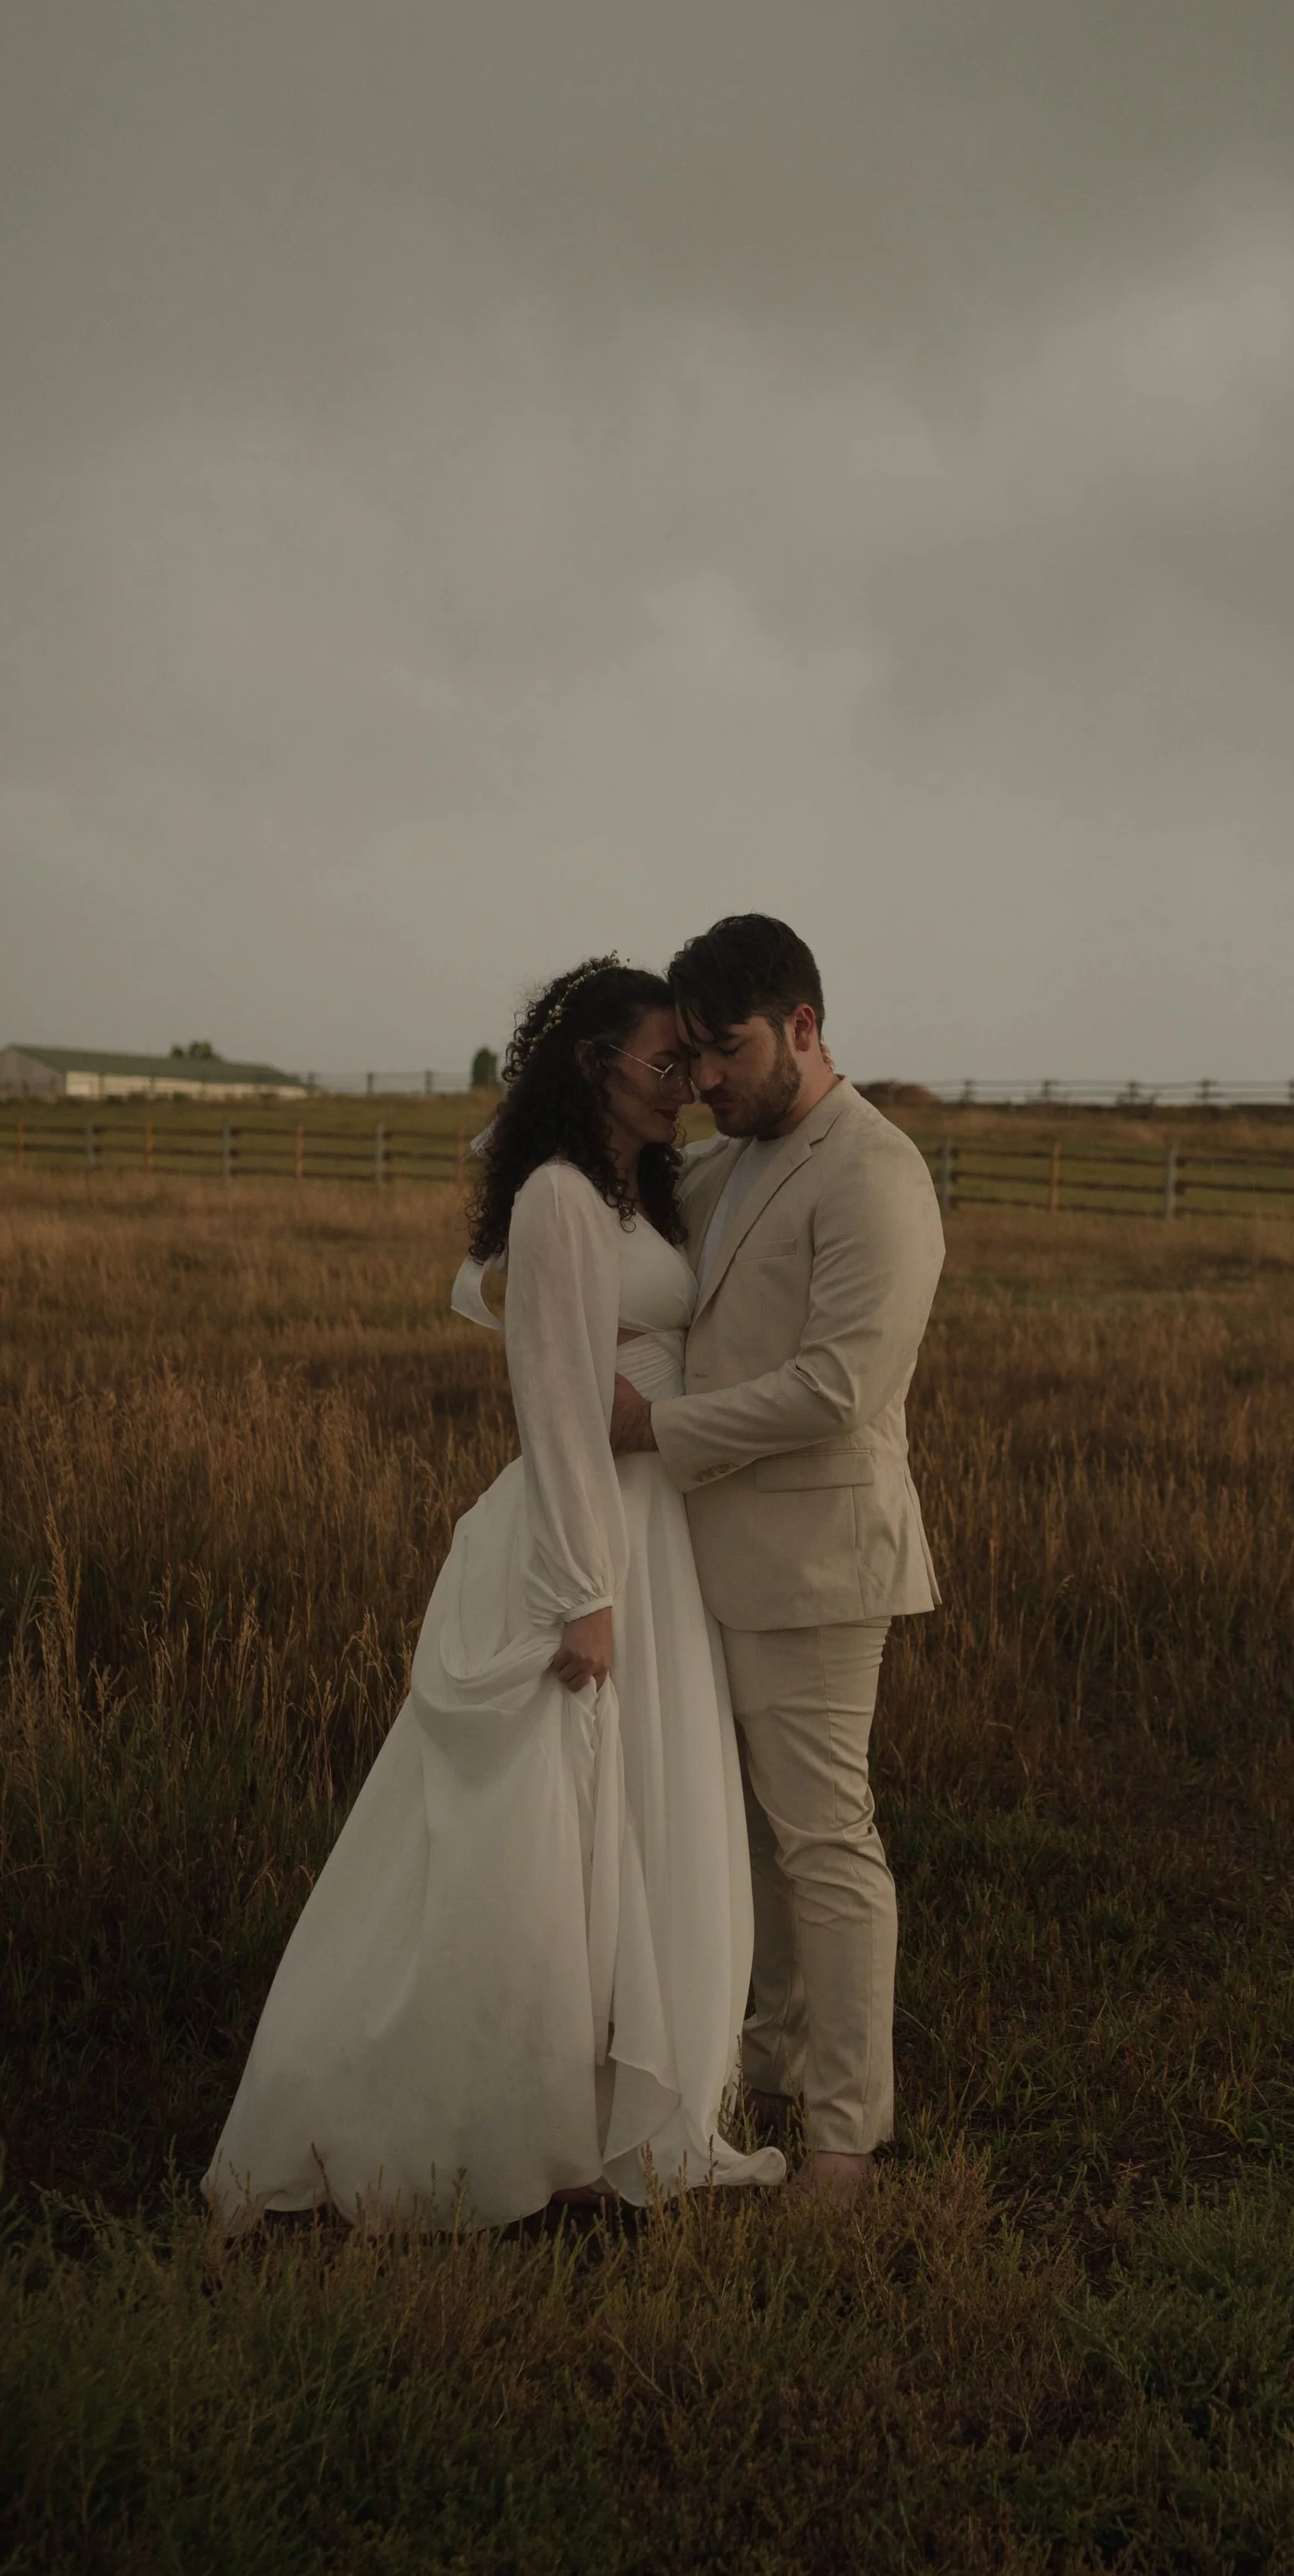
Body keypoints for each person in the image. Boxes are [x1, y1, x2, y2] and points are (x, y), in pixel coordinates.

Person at [203, 959, 785, 2231]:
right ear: (593, 1068)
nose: (686, 1085)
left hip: (663, 1533)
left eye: (694, 1062)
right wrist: (584, 1591)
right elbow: (559, 1405)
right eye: (663, 1063)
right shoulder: (558, 1200)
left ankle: (612, 2094)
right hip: (589, 1543)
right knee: (542, 1831)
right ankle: (492, 2117)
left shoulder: (651, 1193)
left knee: (643, 1814)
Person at [608, 914, 945, 2210]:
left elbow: (845, 1383)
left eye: (726, 1048)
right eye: (688, 1055)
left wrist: (661, 1428)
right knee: (743, 1840)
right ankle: (765, 2064)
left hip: (817, 1558)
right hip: (712, 1553)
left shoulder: (875, 1171)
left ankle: (849, 2144)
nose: (707, 1078)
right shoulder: (734, 1158)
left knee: (824, 1840)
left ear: (803, 1024)